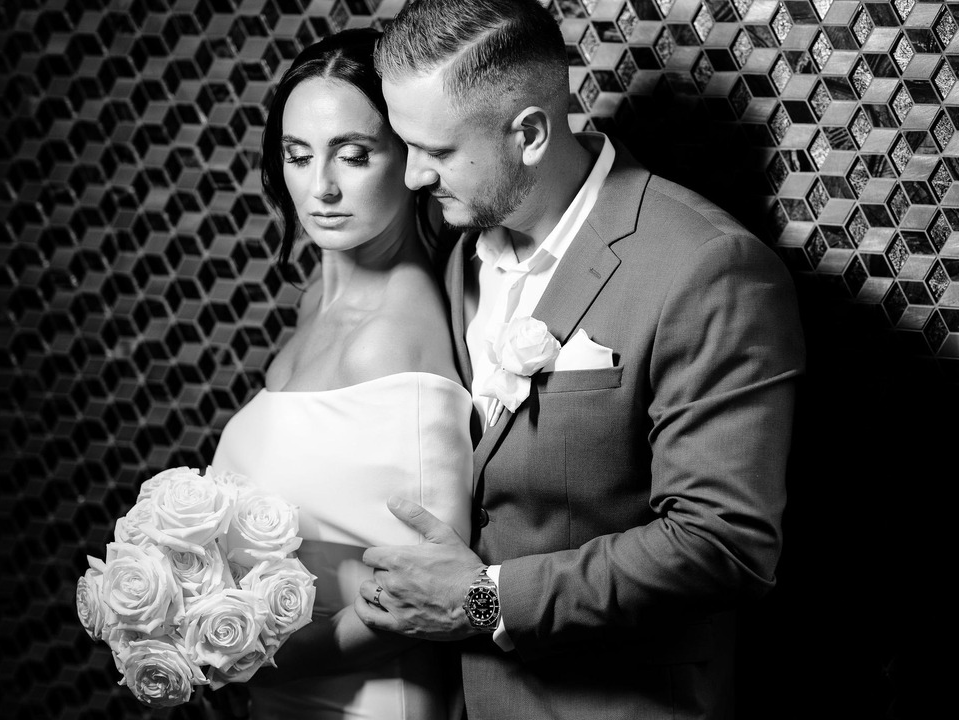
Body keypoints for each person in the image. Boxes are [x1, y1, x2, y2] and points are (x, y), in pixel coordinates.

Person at [353, 1, 806, 719]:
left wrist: (481, 599)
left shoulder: (707, 267)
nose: (410, 177)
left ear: (530, 134)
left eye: (435, 152)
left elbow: (725, 544)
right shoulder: (452, 251)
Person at [209, 27, 472, 720]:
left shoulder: (395, 335)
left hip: (366, 700)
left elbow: (417, 598)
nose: (320, 186)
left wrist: (232, 654)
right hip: (286, 687)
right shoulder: (315, 299)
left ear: (411, 157)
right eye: (298, 156)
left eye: (353, 156)